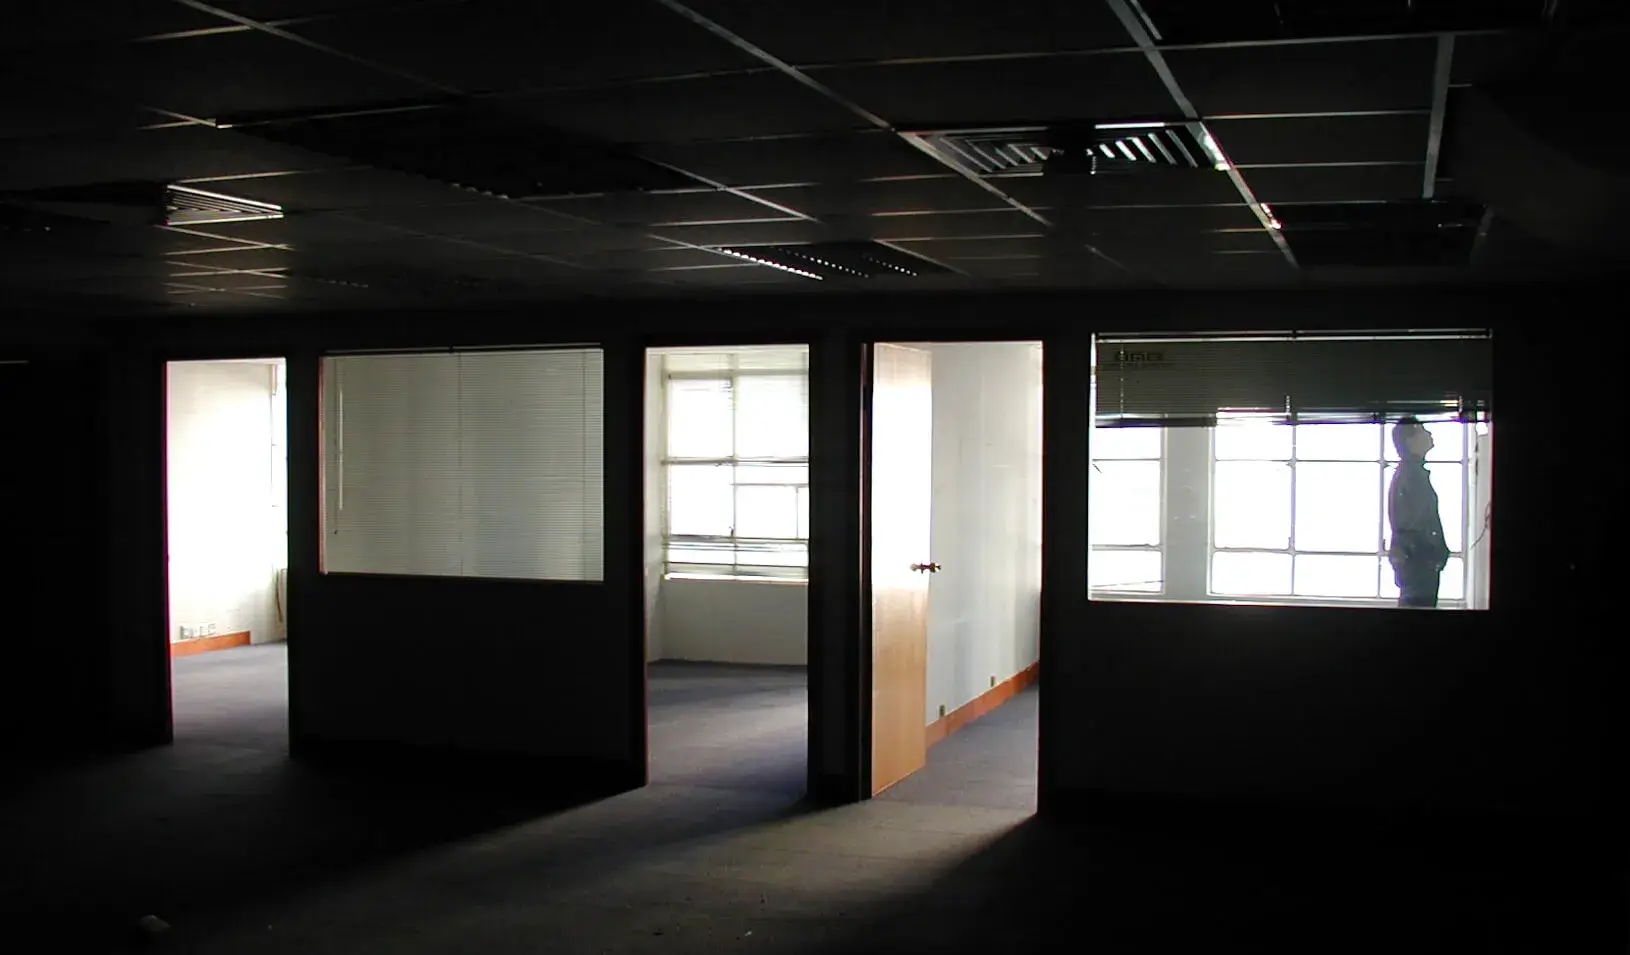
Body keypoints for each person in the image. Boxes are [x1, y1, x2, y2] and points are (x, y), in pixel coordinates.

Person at [1387, 416, 1450, 608]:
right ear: (1410, 441)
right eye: (1422, 430)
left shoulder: (1412, 475)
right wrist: (1434, 552)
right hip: (1418, 563)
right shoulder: (1411, 477)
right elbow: (1417, 522)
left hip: (1418, 562)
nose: (1429, 434)